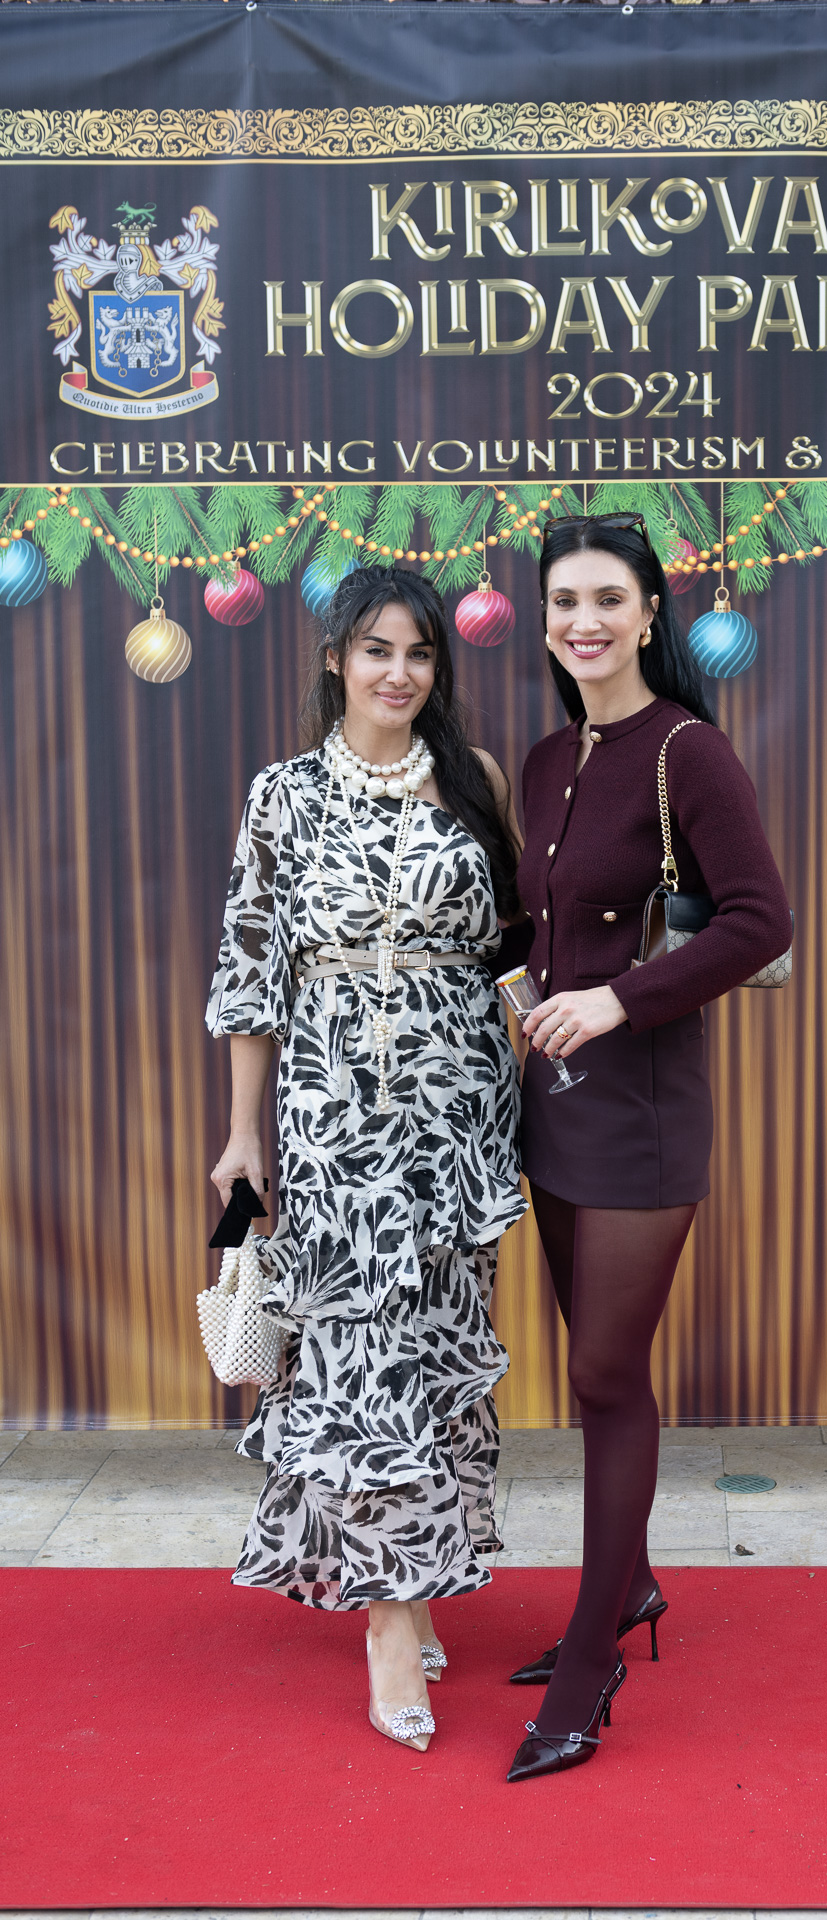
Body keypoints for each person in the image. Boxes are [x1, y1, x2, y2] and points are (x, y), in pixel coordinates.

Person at [206, 565, 526, 1755]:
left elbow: (510, 947)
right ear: (336, 658)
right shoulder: (282, 796)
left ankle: (419, 1581)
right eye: (377, 650)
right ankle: (391, 1624)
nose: (399, 673)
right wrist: (245, 1135)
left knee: (430, 1346)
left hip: (459, 1112)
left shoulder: (475, 779)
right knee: (359, 1352)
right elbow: (250, 973)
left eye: (420, 653)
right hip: (335, 1113)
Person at [504, 514, 792, 1783]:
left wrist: (618, 998)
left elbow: (760, 922)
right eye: (564, 601)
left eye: (607, 599)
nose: (584, 621)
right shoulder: (543, 759)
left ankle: (589, 1657)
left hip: (644, 1115)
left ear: (648, 613)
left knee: (606, 1376)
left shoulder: (687, 751)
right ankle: (628, 1588)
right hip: (555, 1108)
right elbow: (535, 925)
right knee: (591, 1369)